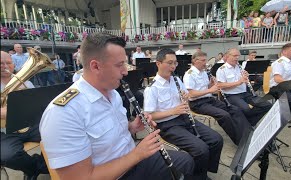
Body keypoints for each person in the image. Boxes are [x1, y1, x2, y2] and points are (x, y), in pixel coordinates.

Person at [40, 33, 195, 180]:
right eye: (120, 65)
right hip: (115, 174)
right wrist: (137, 154)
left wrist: (133, 127)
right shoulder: (63, 113)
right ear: (95, 67)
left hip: (132, 161)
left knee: (186, 161)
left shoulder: (113, 93)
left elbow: (113, 129)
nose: (125, 72)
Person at [144, 48, 223, 179]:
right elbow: (149, 116)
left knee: (216, 139)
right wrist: (173, 111)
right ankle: (198, 176)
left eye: (175, 63)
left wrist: (185, 97)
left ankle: (201, 171)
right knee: (201, 149)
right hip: (167, 125)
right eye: (169, 63)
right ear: (158, 63)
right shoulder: (152, 88)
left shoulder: (177, 80)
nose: (173, 66)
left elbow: (185, 96)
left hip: (184, 118)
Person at [183, 51, 251, 145]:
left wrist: (211, 83)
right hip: (198, 103)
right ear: (195, 61)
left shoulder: (203, 72)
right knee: (224, 115)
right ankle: (241, 142)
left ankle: (248, 133)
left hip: (209, 100)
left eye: (205, 60)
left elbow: (207, 88)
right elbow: (191, 94)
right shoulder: (189, 74)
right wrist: (210, 90)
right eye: (203, 60)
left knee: (234, 109)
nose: (205, 63)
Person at [1, 51, 48, 180]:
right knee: (6, 156)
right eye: (1, 63)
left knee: (58, 135)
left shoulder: (26, 83)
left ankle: (43, 165)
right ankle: (36, 167)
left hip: (30, 125)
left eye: (8, 62)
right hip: (5, 131)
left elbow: (36, 105)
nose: (5, 66)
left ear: (13, 64)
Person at [216, 48, 272, 126]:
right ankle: (245, 124)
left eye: (238, 56)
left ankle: (249, 122)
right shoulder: (222, 69)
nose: (237, 58)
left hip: (245, 93)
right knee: (246, 109)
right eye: (235, 56)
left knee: (267, 105)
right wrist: (239, 82)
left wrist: (246, 77)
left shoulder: (239, 67)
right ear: (227, 56)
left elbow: (244, 80)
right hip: (231, 95)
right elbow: (221, 85)